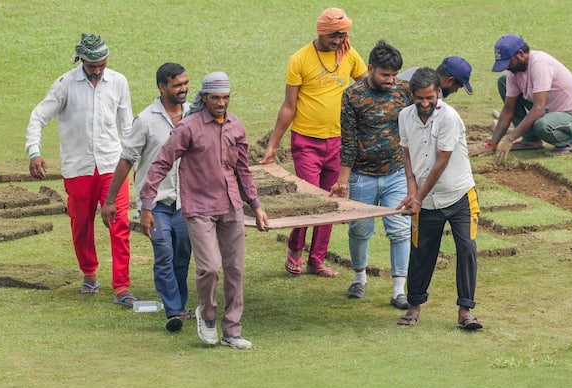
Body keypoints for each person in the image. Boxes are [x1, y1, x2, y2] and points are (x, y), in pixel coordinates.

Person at [139, 72, 268, 350]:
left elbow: (243, 170)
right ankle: (207, 315)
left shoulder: (236, 126)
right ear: (204, 97)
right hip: (198, 208)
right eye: (216, 98)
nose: (222, 103)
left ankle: (232, 330)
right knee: (209, 267)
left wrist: (255, 205)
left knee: (235, 270)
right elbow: (161, 163)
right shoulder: (189, 127)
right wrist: (146, 203)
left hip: (231, 206)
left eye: (226, 98)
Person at [25, 33, 136, 306]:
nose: (97, 71)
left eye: (101, 65)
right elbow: (39, 116)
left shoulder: (119, 82)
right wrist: (34, 152)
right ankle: (89, 273)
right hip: (78, 168)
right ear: (81, 60)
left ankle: (122, 286)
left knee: (119, 224)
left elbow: (127, 126)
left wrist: (135, 160)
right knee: (81, 223)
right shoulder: (65, 84)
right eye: (91, 65)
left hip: (113, 165)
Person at [260, 7, 368, 278]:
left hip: (339, 141)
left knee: (332, 198)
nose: (338, 40)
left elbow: (366, 85)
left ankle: (317, 259)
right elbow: (288, 106)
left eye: (342, 35)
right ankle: (295, 250)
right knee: (309, 199)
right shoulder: (299, 59)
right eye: (333, 35)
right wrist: (273, 144)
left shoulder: (349, 54)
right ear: (321, 32)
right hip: (306, 141)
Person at [101, 63, 193, 332]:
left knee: (182, 256)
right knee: (163, 252)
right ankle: (174, 310)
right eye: (177, 85)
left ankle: (179, 304)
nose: (184, 89)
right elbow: (126, 160)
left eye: (185, 83)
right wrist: (109, 201)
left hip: (186, 202)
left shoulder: (194, 116)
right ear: (162, 87)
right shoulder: (145, 121)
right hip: (155, 205)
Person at [395, 67, 482, 330]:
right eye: (419, 98)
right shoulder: (404, 117)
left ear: (438, 94)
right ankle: (414, 306)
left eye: (429, 98)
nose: (424, 104)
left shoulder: (450, 118)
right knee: (421, 252)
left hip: (459, 196)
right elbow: (408, 156)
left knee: (466, 248)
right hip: (426, 201)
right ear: (412, 95)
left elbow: (439, 164)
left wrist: (417, 197)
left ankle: (465, 311)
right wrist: (412, 192)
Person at [332, 40, 412, 309]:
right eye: (385, 75)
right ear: (370, 69)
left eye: (394, 75)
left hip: (396, 173)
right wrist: (343, 181)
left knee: (400, 229)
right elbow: (349, 140)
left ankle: (399, 290)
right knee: (360, 229)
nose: (391, 80)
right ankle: (359, 277)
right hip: (362, 175)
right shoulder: (352, 96)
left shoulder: (405, 91)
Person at [483, 34, 572, 162]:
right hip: (549, 109)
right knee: (503, 82)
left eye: (508, 62)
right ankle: (531, 140)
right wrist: (492, 144)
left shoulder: (540, 64)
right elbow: (508, 111)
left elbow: (538, 109)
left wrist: (510, 139)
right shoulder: (514, 71)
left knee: (542, 125)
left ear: (521, 54)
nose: (507, 67)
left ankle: (568, 142)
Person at [397, 56, 473, 98]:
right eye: (457, 87)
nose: (455, 91)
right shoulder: (435, 98)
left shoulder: (413, 70)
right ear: (449, 81)